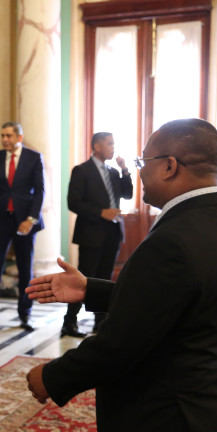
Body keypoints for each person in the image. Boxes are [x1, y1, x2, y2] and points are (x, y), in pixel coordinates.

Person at [25, 118, 217, 432]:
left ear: (170, 166)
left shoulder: (175, 238)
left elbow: (120, 343)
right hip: (195, 415)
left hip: (164, 425)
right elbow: (171, 305)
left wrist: (53, 377)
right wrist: (91, 289)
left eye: (144, 162)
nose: (140, 171)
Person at [0, 122, 45, 332]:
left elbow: (40, 191)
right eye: (2, 135)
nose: (5, 139)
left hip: (25, 222)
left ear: (19, 138)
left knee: (25, 268)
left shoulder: (34, 158)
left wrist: (30, 219)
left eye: (9, 136)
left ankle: (25, 314)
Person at [62, 132, 133, 337]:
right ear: (97, 146)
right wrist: (100, 212)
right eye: (110, 143)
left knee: (105, 278)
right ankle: (70, 321)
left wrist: (125, 170)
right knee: (83, 277)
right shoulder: (82, 170)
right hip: (91, 233)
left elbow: (127, 194)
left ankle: (100, 323)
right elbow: (73, 202)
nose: (113, 147)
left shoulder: (113, 172)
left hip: (112, 232)